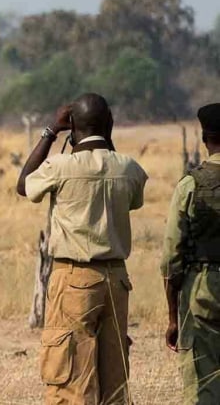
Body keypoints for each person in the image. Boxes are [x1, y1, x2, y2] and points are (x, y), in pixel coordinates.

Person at [16, 93, 148, 404]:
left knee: (72, 378)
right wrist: (107, 137)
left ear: (72, 124)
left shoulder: (61, 167)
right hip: (117, 281)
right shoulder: (129, 169)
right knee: (114, 377)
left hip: (74, 279)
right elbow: (134, 200)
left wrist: (52, 131)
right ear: (109, 124)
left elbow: (24, 185)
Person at [162, 103, 220, 404]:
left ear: (204, 138)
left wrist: (173, 317)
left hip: (202, 290)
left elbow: (172, 257)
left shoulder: (190, 185)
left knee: (203, 383)